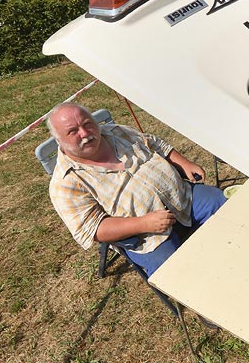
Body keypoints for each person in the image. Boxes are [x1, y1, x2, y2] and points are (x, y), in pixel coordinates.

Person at [46, 102, 226, 276]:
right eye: (73, 131)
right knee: (173, 272)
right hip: (146, 236)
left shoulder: (116, 132)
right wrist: (143, 223)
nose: (85, 133)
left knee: (224, 209)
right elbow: (93, 229)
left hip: (182, 197)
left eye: (87, 123)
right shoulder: (64, 184)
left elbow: (154, 143)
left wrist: (184, 163)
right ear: (59, 140)